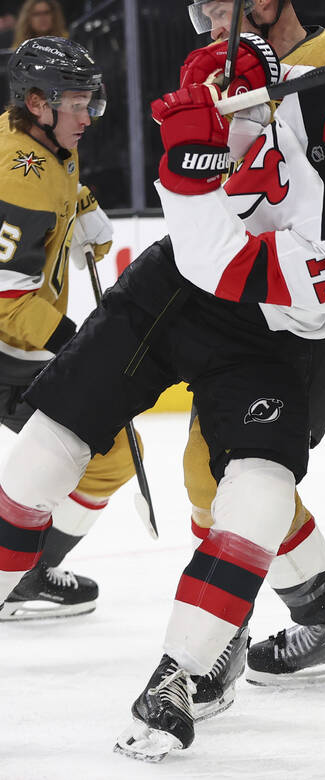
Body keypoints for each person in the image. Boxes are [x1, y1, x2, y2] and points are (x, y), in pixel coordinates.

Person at [0, 33, 325, 759]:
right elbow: (230, 82)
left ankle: (181, 674)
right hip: (167, 291)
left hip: (266, 335)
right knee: (48, 446)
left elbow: (224, 266)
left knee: (260, 490)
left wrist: (185, 167)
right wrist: (218, 73)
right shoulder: (316, 87)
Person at [180, 0, 325, 717]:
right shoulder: (227, 69)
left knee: (237, 470)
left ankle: (220, 641)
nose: (213, 15)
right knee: (220, 468)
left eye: (223, 2)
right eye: (204, 6)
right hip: (262, 304)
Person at [0, 36, 134, 622]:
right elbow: (6, 303)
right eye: (74, 104)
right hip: (9, 346)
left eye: (89, 101)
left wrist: (81, 206)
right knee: (107, 449)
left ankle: (27, 573)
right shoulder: (16, 177)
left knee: (113, 450)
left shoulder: (47, 144)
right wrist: (79, 342)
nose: (87, 116)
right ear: (35, 101)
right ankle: (21, 575)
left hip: (17, 345)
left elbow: (57, 189)